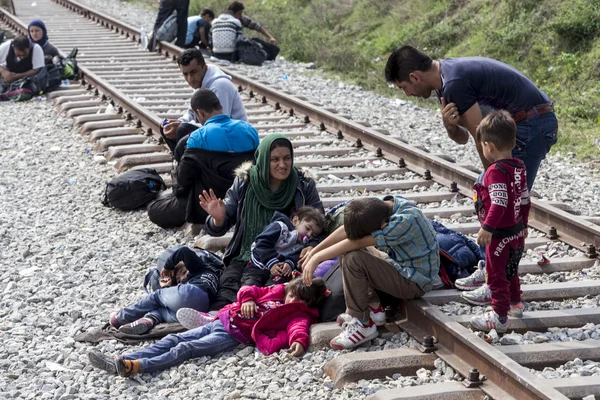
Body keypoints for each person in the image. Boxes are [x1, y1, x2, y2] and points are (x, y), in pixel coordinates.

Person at [384, 45, 558, 191]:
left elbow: (481, 139)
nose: (407, 94)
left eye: (404, 87)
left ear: (415, 77)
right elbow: (464, 137)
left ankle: (509, 230)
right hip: (523, 125)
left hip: (532, 124)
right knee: (490, 194)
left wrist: (493, 183)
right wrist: (450, 127)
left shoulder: (454, 83)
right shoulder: (444, 82)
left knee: (503, 198)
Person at [88, 278, 327, 376]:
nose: (292, 302)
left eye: (299, 301)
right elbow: (249, 289)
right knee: (173, 339)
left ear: (307, 304)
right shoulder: (277, 292)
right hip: (222, 320)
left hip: (234, 335)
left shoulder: (299, 314)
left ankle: (135, 366)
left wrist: (298, 341)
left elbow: (299, 328)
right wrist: (249, 300)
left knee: (185, 349)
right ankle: (120, 358)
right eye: (292, 296)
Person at [200, 134, 323, 311]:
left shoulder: (303, 184)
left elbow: (319, 224)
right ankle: (218, 322)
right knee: (228, 289)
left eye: (287, 158)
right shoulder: (244, 182)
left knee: (273, 293)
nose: (283, 164)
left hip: (286, 259)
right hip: (245, 256)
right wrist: (218, 218)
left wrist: (311, 246)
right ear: (264, 159)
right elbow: (220, 226)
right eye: (275, 159)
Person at [302, 196, 440, 350]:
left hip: (414, 282)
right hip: (401, 266)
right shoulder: (384, 207)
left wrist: (317, 258)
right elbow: (346, 231)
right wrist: (314, 251)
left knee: (352, 258)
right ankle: (374, 309)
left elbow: (357, 242)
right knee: (345, 249)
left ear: (382, 225)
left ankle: (363, 324)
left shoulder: (403, 222)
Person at [147, 89, 258, 229]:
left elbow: (183, 180)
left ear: (200, 113)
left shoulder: (198, 137)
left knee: (154, 208)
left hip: (206, 206)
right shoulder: (249, 130)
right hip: (242, 202)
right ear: (220, 107)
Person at [465, 111, 530, 333]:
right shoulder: (519, 166)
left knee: (496, 274)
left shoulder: (494, 171)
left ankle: (499, 316)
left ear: (489, 146)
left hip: (500, 234)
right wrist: (525, 225)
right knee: (511, 270)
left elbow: (499, 202)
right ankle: (516, 304)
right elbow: (524, 199)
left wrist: (487, 228)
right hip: (516, 232)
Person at [108, 246, 222, 335]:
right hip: (201, 307)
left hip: (191, 292)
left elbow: (184, 251)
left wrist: (168, 267)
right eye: (178, 280)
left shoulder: (201, 267)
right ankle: (149, 320)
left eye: (183, 273)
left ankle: (120, 317)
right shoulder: (214, 277)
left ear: (188, 266)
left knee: (156, 297)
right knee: (164, 312)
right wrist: (168, 287)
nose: (182, 278)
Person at [161, 49, 247, 155]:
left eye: (193, 72)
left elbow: (219, 125)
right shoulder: (200, 83)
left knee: (182, 129)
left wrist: (182, 126)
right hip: (215, 133)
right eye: (185, 74)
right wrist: (176, 122)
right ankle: (183, 163)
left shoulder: (220, 86)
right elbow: (191, 114)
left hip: (232, 141)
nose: (190, 79)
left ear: (204, 68)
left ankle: (190, 165)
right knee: (165, 126)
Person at [248, 206, 325, 286]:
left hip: (279, 270)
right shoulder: (280, 227)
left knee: (278, 285)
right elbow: (262, 243)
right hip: (258, 265)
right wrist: (272, 262)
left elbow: (297, 256)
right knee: (250, 284)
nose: (309, 235)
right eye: (307, 228)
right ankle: (248, 297)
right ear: (295, 221)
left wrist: (289, 263)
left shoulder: (303, 244)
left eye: (313, 235)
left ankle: (270, 296)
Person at [211, 1, 279, 62]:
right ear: (237, 12)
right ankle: (268, 54)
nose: (241, 16)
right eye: (240, 13)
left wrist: (270, 37)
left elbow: (256, 26)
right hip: (231, 56)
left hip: (216, 54)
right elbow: (239, 40)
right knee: (255, 42)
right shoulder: (236, 21)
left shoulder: (215, 21)